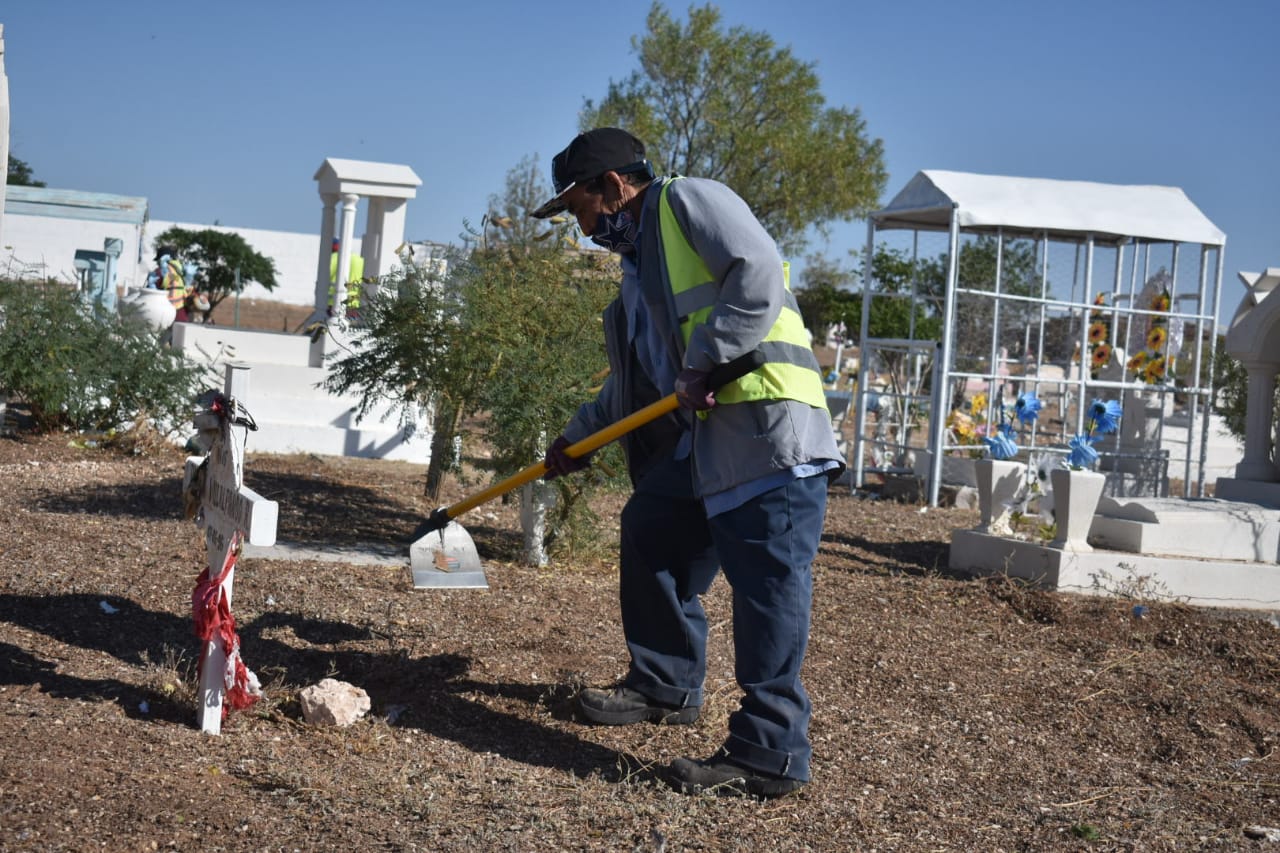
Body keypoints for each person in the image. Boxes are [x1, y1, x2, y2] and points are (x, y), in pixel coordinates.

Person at [531, 128, 843, 799]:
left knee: (767, 593)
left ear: (614, 186)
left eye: (582, 210)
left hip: (772, 434)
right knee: (652, 525)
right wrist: (576, 440)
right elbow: (636, 386)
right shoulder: (639, 278)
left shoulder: (689, 201)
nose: (583, 230)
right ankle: (664, 683)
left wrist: (706, 358)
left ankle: (770, 750)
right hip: (712, 447)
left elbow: (757, 270)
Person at [328, 237, 365, 317]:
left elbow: (325, 277)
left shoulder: (331, 258)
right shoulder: (360, 259)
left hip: (333, 302)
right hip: (354, 303)